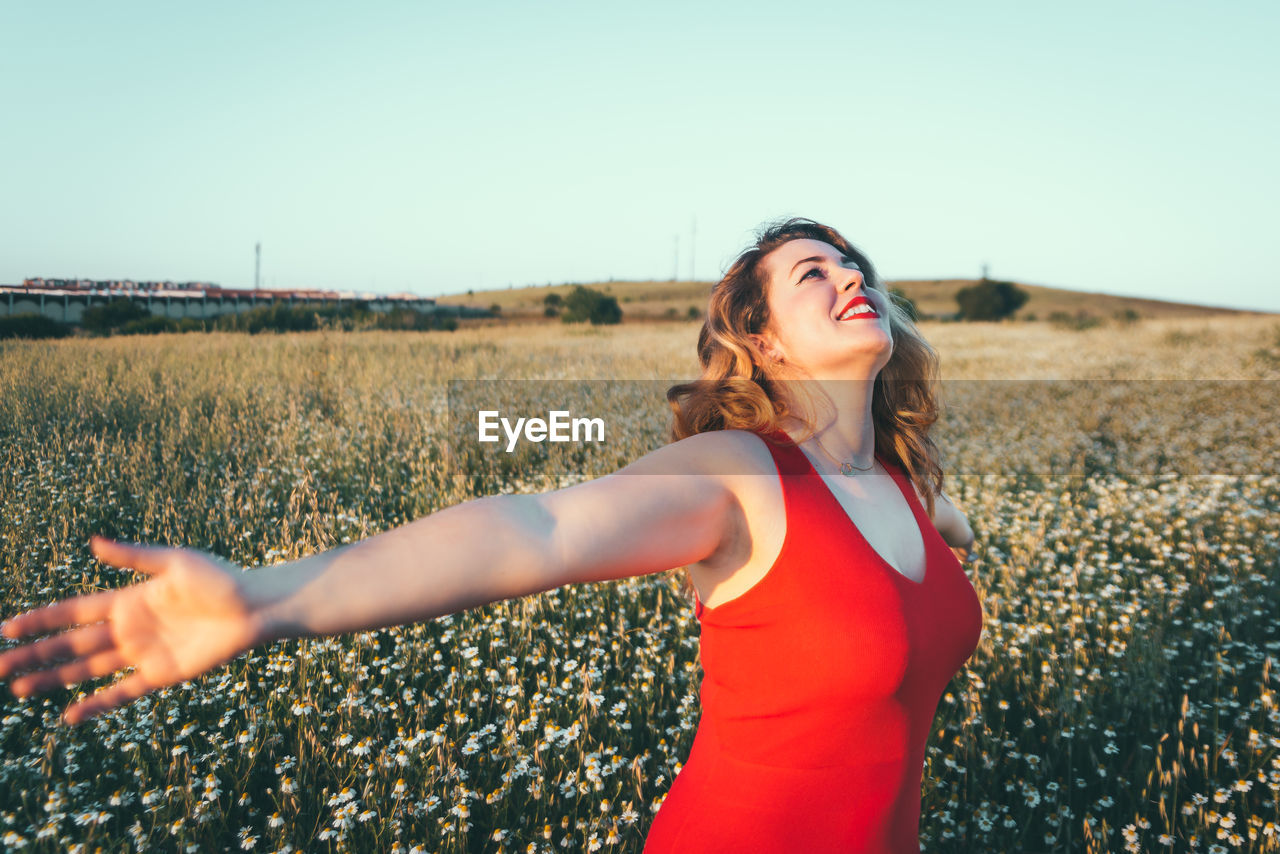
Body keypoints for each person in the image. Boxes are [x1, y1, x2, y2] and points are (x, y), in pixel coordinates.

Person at [0, 217, 980, 853]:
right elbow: (533, 527)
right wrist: (267, 595)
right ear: (762, 341)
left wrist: (942, 523)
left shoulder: (899, 489)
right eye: (814, 271)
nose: (850, 276)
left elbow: (920, 543)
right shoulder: (740, 474)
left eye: (856, 265)